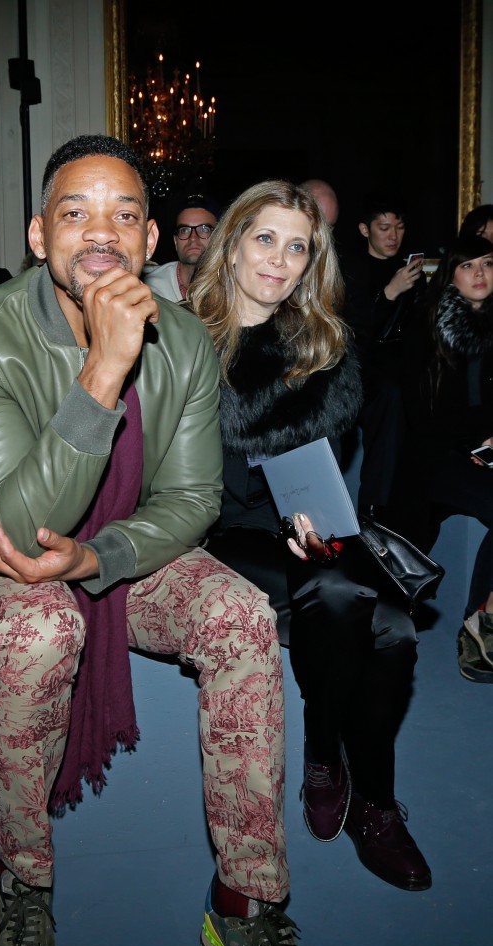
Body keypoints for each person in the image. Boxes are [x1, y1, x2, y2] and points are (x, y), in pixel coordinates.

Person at [0, 135, 317, 946]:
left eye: (125, 215)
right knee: (39, 633)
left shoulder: (180, 341)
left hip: (123, 545)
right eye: (76, 214)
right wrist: (103, 372)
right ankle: (24, 890)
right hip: (2, 553)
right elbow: (16, 520)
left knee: (244, 617)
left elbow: (190, 502)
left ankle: (246, 900)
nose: (100, 234)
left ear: (150, 242)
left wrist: (95, 560)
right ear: (39, 236)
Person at [189, 178, 431, 897]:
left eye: (298, 247)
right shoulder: (176, 338)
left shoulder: (322, 346)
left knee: (392, 624)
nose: (279, 259)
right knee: (348, 591)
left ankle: (359, 790)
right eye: (265, 238)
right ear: (232, 245)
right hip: (216, 530)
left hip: (305, 527)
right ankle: (341, 771)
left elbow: (315, 472)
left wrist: (312, 516)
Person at [390, 233, 493, 682]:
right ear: (451, 275)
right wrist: (473, 446)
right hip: (436, 456)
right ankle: (480, 626)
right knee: (410, 528)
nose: (480, 274)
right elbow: (420, 413)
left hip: (481, 452)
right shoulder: (428, 324)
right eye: (468, 266)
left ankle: (481, 620)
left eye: (488, 264)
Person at [340, 193, 427, 520]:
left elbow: (420, 327)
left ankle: (409, 507)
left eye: (399, 227)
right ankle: (374, 511)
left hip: (404, 365)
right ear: (365, 230)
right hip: (363, 368)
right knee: (390, 394)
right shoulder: (351, 269)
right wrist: (390, 292)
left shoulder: (410, 268)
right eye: (384, 227)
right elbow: (357, 334)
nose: (393, 236)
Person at [143, 191, 222, 301]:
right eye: (184, 230)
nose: (193, 238)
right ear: (175, 241)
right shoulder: (153, 290)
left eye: (204, 229)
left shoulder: (233, 286)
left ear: (220, 237)